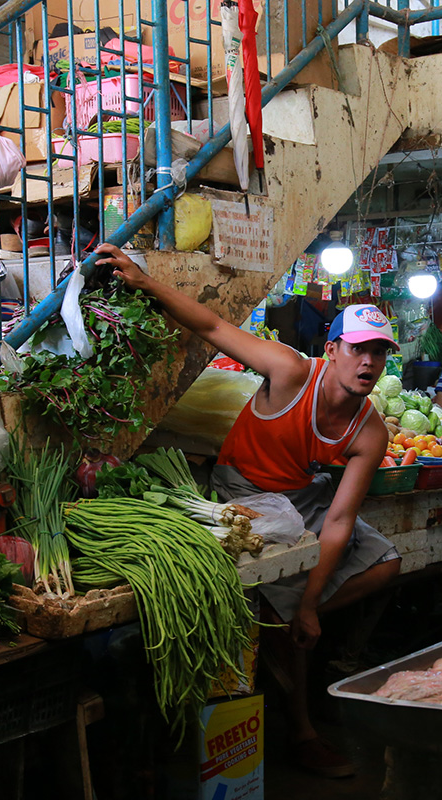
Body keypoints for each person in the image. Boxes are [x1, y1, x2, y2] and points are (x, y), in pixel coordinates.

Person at [96, 243, 401, 778]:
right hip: (245, 492)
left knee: (386, 562)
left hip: (305, 497)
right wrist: (145, 284)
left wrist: (310, 602)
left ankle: (292, 617)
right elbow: (213, 326)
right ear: (333, 350)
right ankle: (304, 730)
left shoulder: (369, 431)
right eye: (358, 349)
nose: (369, 362)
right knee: (289, 594)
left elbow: (340, 520)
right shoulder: (289, 372)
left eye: (379, 352)